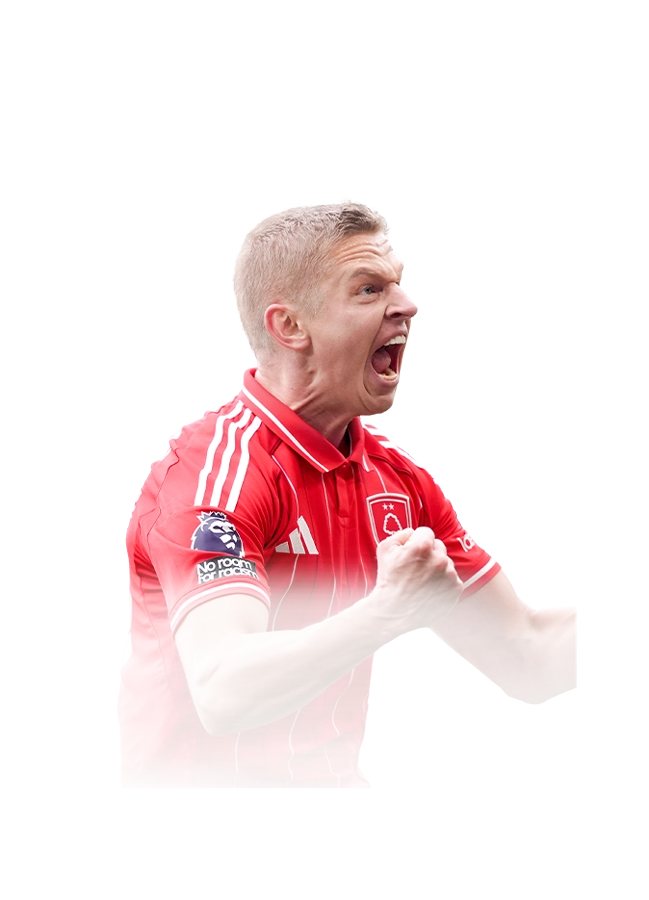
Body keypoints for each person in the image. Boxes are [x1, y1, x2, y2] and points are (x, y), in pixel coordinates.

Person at [119, 200, 576, 789]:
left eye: (398, 285)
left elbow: (526, 656)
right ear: (290, 327)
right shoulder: (216, 475)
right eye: (369, 290)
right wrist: (384, 614)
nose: (406, 305)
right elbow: (221, 686)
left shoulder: (397, 480)